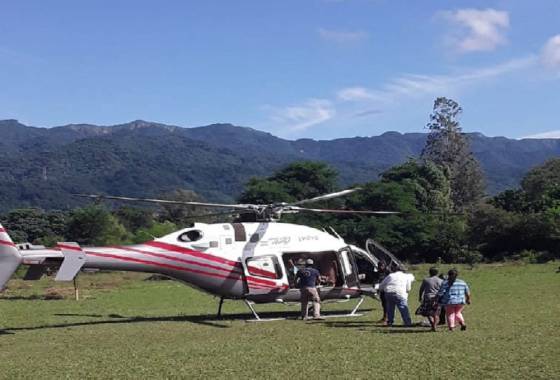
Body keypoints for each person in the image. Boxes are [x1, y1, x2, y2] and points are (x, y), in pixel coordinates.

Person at [416, 267, 443, 331]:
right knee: (436, 313)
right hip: (437, 298)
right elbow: (442, 290)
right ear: (437, 273)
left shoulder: (426, 280)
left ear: (429, 272)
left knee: (427, 312)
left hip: (428, 298)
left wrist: (420, 297)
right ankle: (434, 325)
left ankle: (432, 323)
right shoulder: (441, 281)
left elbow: (421, 289)